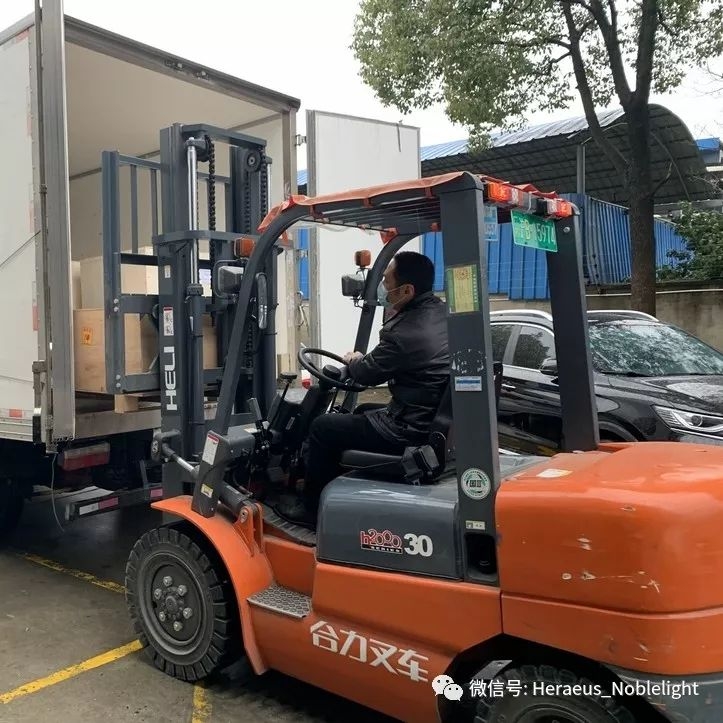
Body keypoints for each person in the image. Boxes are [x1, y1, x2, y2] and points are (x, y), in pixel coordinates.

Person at [278, 251, 450, 524]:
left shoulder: (404, 333)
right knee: (363, 411)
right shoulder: (441, 314)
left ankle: (311, 509)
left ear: (407, 290)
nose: (383, 287)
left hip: (407, 430)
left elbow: (366, 374)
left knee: (323, 427)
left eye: (386, 281)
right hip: (423, 417)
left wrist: (354, 360)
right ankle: (337, 485)